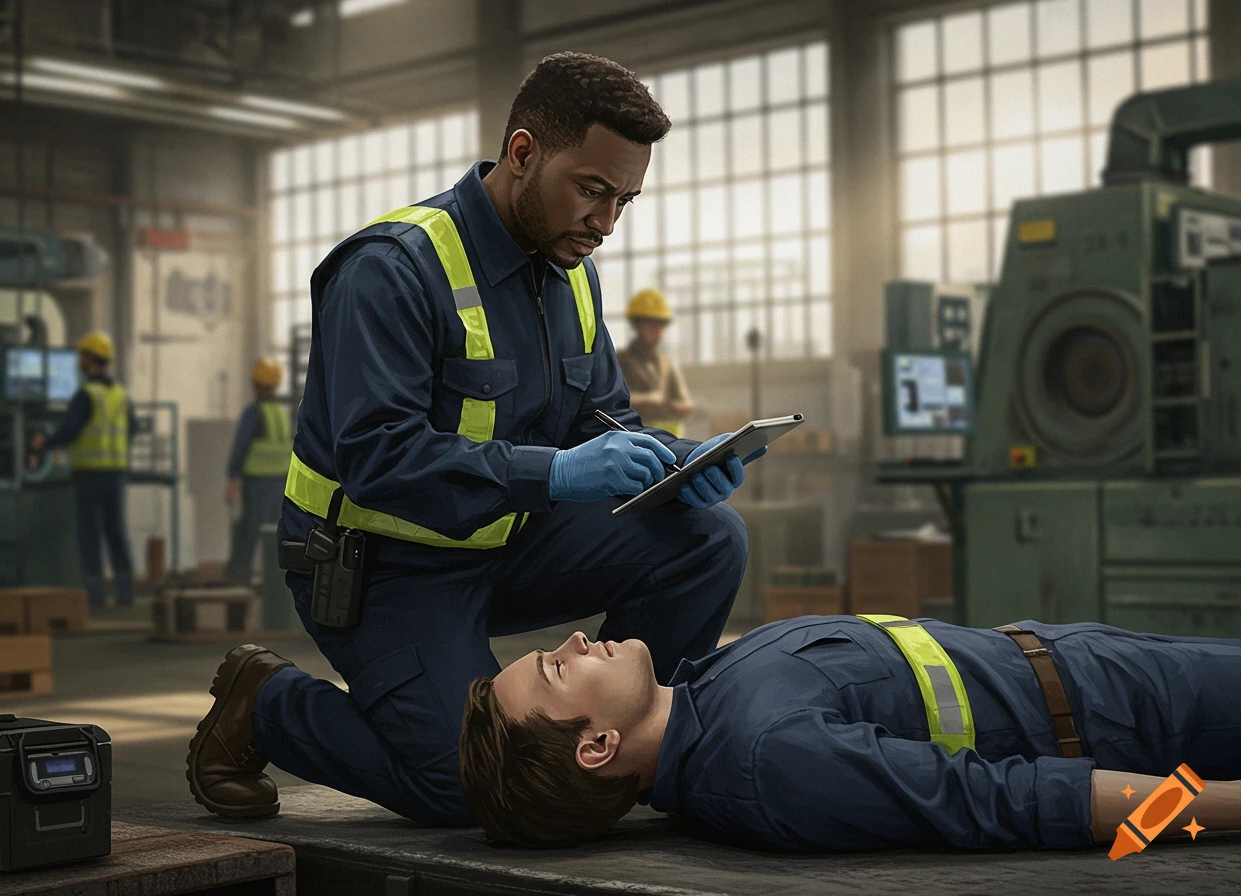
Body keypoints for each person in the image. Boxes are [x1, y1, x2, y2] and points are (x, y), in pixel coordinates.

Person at [186, 52, 765, 825]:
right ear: (522, 153)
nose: (606, 223)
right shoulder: (389, 270)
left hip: (505, 541)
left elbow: (602, 419)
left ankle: (621, 750)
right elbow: (378, 457)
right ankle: (265, 703)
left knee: (707, 537)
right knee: (478, 782)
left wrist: (671, 461)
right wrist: (555, 475)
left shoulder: (572, 273)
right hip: (384, 566)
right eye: (591, 190)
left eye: (624, 199)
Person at [458, 616, 1241, 851]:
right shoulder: (768, 759)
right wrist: (1229, 805)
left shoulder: (707, 695)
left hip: (1088, 664)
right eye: (556, 669)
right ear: (596, 746)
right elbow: (1016, 801)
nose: (574, 642)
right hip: (1129, 715)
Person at [31, 331, 137, 607]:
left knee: (90, 534)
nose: (79, 360)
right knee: (116, 532)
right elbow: (133, 428)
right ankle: (125, 593)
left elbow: (69, 430)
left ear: (89, 359)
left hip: (89, 475)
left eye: (81, 356)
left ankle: (95, 595)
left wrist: (44, 443)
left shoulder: (86, 394)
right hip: (116, 474)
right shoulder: (121, 394)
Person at [223, 358, 291, 584]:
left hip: (257, 482)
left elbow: (240, 446)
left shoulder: (254, 413)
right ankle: (276, 585)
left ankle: (239, 579)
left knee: (249, 531)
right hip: (281, 482)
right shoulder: (281, 414)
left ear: (255, 384)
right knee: (273, 534)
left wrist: (232, 479)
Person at [615, 289, 693, 437]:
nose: (658, 331)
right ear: (637, 325)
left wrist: (682, 407)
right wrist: (646, 399)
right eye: (652, 326)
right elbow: (613, 401)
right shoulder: (621, 362)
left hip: (671, 442)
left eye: (661, 326)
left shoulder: (667, 363)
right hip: (636, 440)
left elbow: (684, 401)